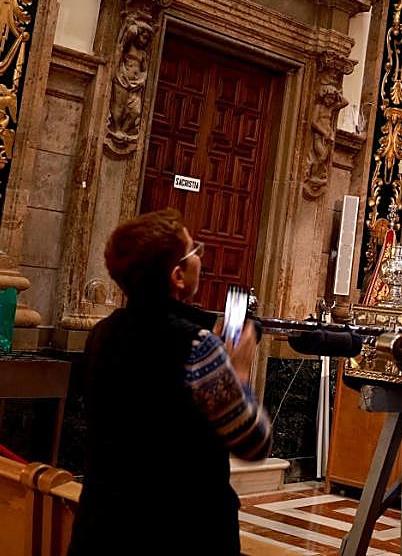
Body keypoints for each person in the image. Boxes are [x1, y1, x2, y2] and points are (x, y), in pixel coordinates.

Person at [68, 209, 272, 556]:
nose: (200, 259)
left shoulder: (102, 332)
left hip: (104, 526)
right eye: (195, 251)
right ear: (177, 275)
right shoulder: (197, 345)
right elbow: (254, 443)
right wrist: (237, 372)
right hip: (182, 530)